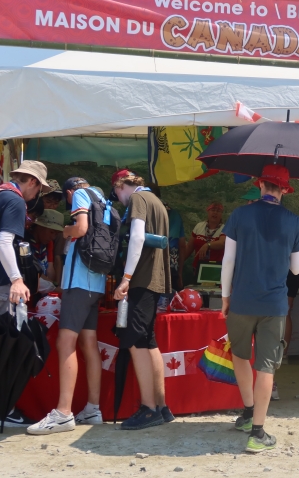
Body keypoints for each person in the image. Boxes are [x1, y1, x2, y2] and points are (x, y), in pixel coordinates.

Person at [221, 164, 299, 453]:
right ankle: (258, 433)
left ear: (259, 185)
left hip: (241, 300)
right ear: (284, 189)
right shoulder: (294, 221)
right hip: (274, 303)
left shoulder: (239, 214)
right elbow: (297, 269)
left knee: (241, 356)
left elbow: (228, 261)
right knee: (266, 366)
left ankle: (247, 412)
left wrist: (224, 297)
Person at [0, 160, 51, 429]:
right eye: (38, 190)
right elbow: (4, 242)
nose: (36, 196)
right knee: (3, 348)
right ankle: (5, 410)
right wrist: (16, 279)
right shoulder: (15, 201)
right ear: (33, 182)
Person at [27, 177, 111, 434]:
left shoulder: (83, 196)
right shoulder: (104, 202)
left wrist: (67, 231)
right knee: (88, 343)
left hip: (78, 283)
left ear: (70, 192)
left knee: (65, 343)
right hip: (96, 283)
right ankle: (93, 408)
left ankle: (63, 413)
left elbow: (81, 229)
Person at [111, 169, 173, 430]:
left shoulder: (138, 200)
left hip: (141, 280)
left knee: (135, 341)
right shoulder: (157, 201)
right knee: (149, 342)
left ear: (120, 185)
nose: (118, 198)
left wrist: (126, 278)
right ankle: (161, 406)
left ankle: (149, 409)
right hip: (155, 280)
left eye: (116, 193)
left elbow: (137, 237)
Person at [150, 184, 186, 292]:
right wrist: (179, 273)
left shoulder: (147, 211)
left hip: (150, 267)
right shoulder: (175, 214)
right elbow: (182, 245)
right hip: (171, 267)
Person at [184, 202, 226, 278]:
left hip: (216, 269)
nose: (215, 213)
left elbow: (222, 243)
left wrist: (207, 245)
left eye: (218, 211)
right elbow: (190, 246)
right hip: (198, 267)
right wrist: (179, 263)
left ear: (221, 214)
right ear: (208, 211)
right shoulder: (199, 226)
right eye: (213, 210)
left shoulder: (224, 228)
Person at [29, 209, 65, 294]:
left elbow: (50, 268)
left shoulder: (48, 243)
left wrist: (53, 284)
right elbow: (32, 272)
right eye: (51, 232)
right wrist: (54, 288)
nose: (53, 237)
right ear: (39, 227)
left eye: (56, 234)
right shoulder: (26, 242)